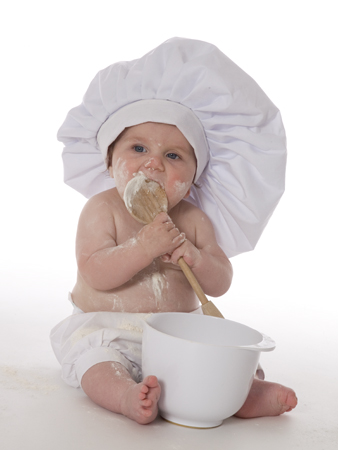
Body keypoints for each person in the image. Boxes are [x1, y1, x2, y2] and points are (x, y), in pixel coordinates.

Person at [51, 38, 297, 425]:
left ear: (195, 175)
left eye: (172, 155)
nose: (153, 164)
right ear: (110, 160)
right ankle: (125, 396)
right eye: (137, 149)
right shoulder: (102, 210)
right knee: (94, 362)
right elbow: (95, 272)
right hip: (109, 330)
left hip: (179, 335)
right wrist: (142, 246)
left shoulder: (194, 219)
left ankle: (244, 393)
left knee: (221, 356)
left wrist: (197, 259)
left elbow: (220, 283)